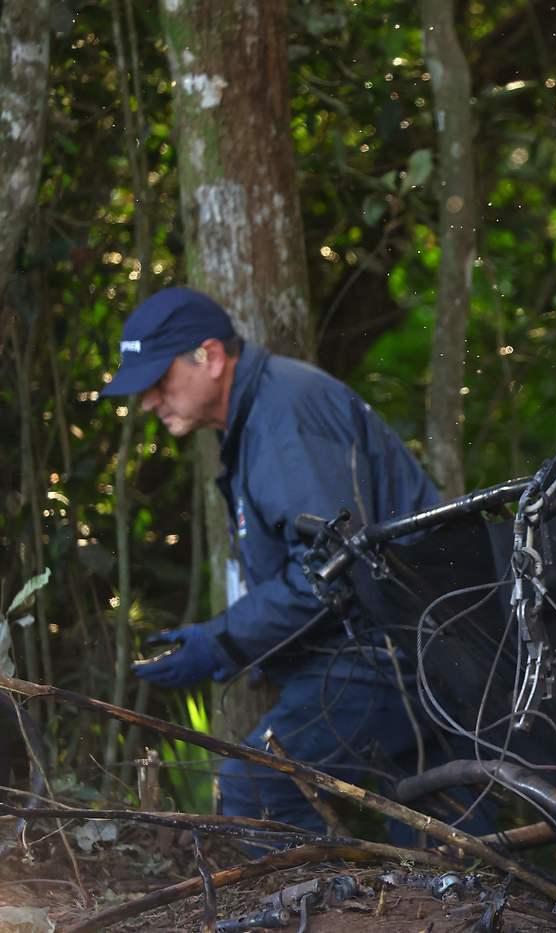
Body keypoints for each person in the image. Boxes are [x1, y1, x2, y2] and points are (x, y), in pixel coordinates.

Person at [102, 286, 486, 835]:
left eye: (157, 382)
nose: (147, 402)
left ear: (208, 357)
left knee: (257, 790)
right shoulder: (261, 415)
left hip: (392, 651)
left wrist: (224, 640)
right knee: (446, 843)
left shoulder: (285, 415)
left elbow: (333, 569)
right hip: (418, 646)